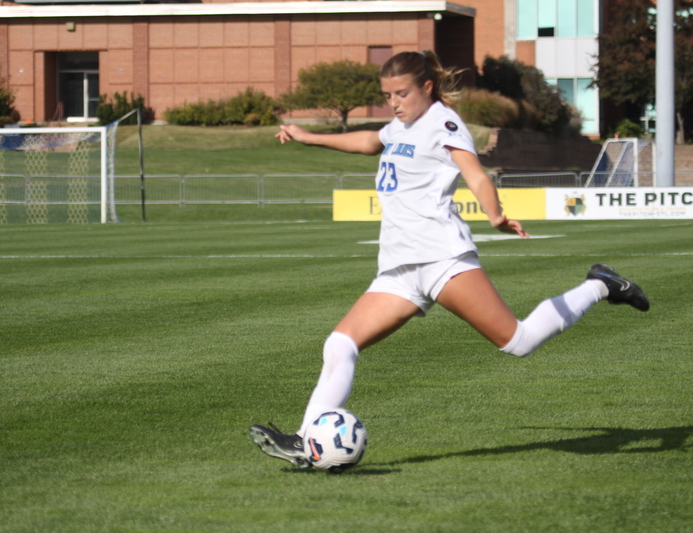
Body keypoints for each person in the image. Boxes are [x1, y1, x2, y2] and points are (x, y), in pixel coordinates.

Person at [250, 51, 649, 468]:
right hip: (399, 267)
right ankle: (304, 440)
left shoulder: (443, 122)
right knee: (340, 344)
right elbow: (370, 141)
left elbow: (474, 173)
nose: (394, 102)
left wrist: (494, 213)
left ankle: (601, 284)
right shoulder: (402, 125)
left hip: (440, 256)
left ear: (425, 87)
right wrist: (309, 137)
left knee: (518, 341)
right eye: (387, 95)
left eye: (401, 93)